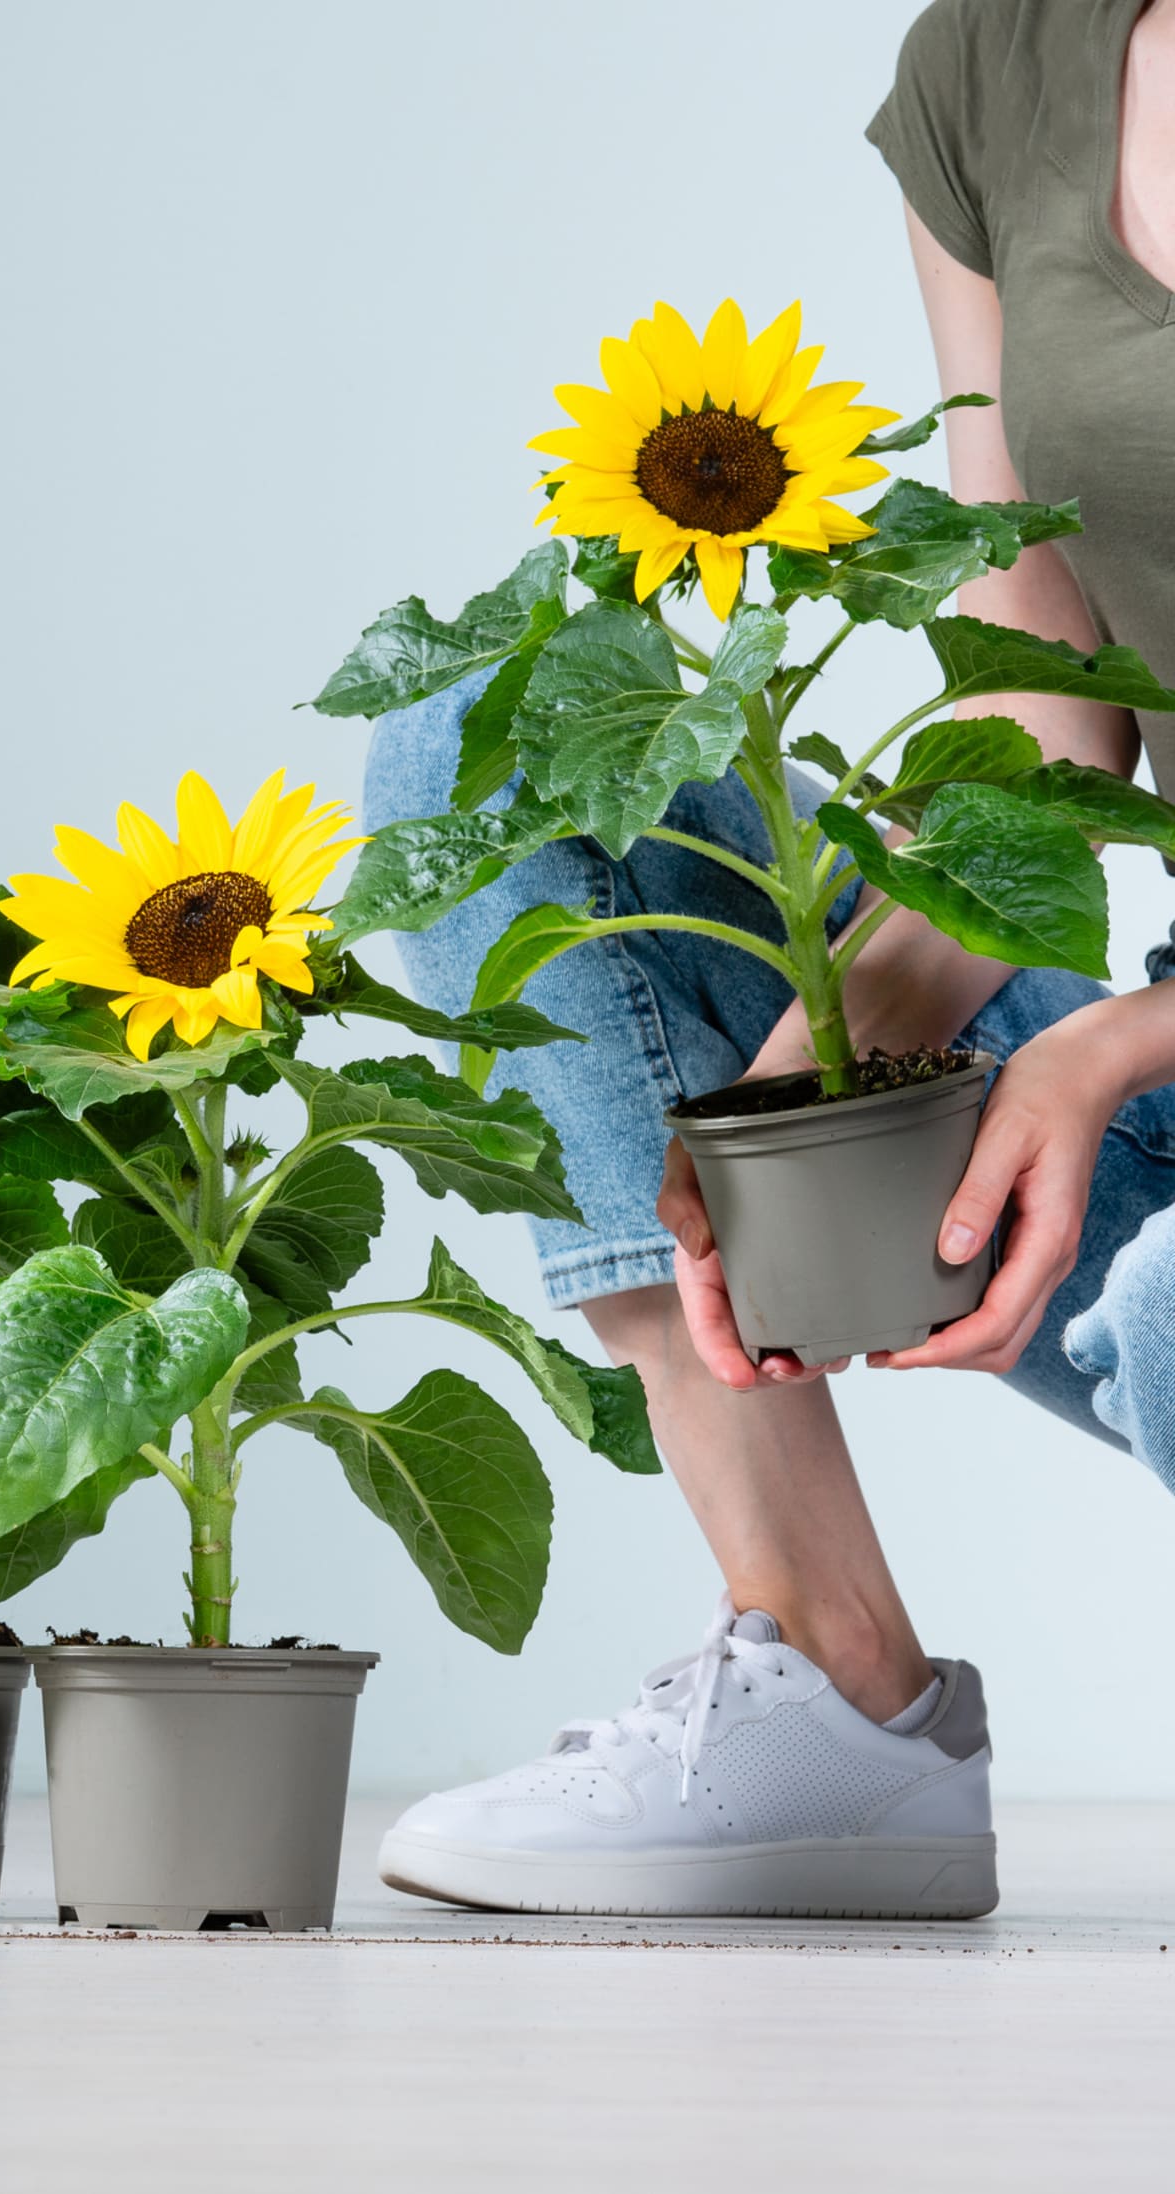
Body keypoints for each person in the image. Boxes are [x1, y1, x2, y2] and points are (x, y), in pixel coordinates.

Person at [365, 0, 1175, 1920]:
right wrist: (793, 1089)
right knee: (489, 737)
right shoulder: (1010, 58)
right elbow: (1047, 708)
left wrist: (1114, 1050)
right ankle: (829, 1684)